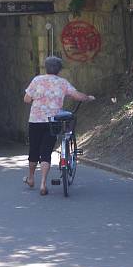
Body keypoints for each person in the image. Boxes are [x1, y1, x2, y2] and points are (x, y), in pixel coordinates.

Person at [23, 56, 95, 195]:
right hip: (53, 122)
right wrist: (88, 97)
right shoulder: (63, 83)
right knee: (46, 152)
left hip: (35, 121)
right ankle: (43, 183)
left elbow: (26, 99)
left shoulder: (37, 80)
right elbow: (77, 96)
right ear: (59, 70)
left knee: (34, 149)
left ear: (46, 67)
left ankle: (31, 178)